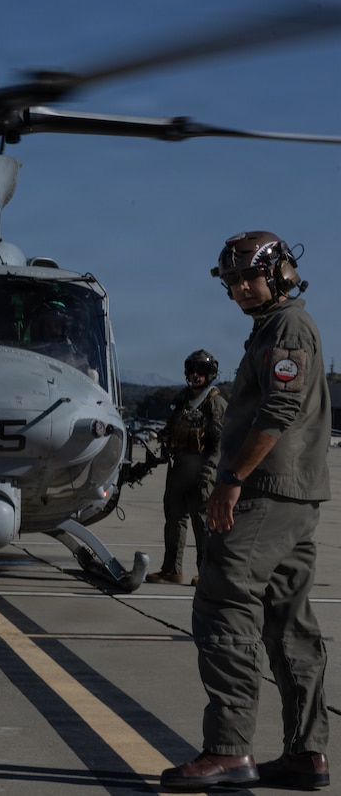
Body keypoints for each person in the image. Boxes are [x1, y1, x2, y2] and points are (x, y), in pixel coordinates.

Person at [161, 231, 330, 791]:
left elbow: (279, 409)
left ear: (279, 272)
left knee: (224, 602)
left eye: (249, 277)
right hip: (292, 495)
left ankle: (229, 750)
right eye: (231, 281)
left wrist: (231, 480)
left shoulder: (287, 328)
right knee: (287, 621)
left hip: (264, 493)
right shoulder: (273, 327)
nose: (239, 288)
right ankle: (306, 754)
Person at [146, 350, 227, 586]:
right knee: (174, 520)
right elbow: (171, 428)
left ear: (210, 373)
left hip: (201, 471)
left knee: (202, 523)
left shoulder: (215, 403)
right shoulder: (182, 400)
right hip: (178, 468)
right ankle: (171, 570)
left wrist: (210, 467)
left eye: (201, 370)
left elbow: (221, 442)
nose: (195, 375)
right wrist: (163, 438)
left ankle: (206, 573)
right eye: (192, 370)